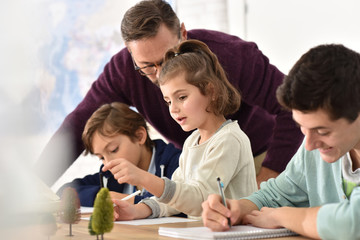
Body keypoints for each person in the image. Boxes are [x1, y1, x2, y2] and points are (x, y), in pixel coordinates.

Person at [35, 0, 303, 188]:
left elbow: (294, 106)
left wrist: (269, 175)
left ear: (183, 34)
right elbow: (78, 123)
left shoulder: (233, 55)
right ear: (130, 54)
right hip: (193, 162)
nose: (161, 73)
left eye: (167, 58)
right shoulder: (123, 71)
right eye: (148, 67)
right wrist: (33, 186)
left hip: (258, 156)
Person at [201, 44, 360, 239]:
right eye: (302, 128)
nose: (309, 145)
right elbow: (276, 195)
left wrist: (281, 216)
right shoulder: (314, 147)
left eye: (322, 131)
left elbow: (352, 223)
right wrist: (237, 208)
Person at [105, 39, 257, 220]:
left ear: (211, 91)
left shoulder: (229, 139)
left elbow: (201, 200)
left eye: (182, 97)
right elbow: (176, 195)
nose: (173, 109)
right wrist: (137, 210)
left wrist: (144, 178)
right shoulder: (192, 141)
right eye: (168, 101)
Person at [57, 102, 181, 207]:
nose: (108, 163)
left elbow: (180, 205)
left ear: (139, 136)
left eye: (113, 149)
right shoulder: (109, 175)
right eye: (101, 158)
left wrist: (124, 200)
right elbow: (64, 191)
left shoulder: (178, 163)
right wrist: (103, 197)